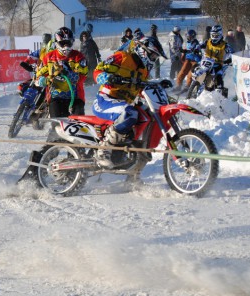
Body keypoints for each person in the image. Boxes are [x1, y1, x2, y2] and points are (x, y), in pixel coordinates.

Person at [18, 27, 88, 182]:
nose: (66, 47)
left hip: (75, 98)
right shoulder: (49, 57)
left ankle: (74, 166)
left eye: (69, 43)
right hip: (56, 98)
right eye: (62, 43)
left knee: (76, 133)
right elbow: (39, 75)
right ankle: (38, 166)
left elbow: (81, 76)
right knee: (57, 132)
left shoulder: (78, 57)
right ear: (56, 42)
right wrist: (42, 79)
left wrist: (65, 70)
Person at [92, 36, 167, 168]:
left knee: (146, 114)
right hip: (105, 100)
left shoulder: (143, 70)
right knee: (129, 112)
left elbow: (139, 88)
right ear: (143, 50)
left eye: (155, 57)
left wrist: (157, 85)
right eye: (153, 56)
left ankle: (134, 165)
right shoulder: (122, 57)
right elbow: (97, 71)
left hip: (122, 103)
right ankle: (103, 151)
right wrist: (108, 77)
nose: (153, 60)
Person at [197, 25, 233, 93]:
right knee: (195, 69)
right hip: (206, 61)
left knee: (219, 76)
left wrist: (230, 59)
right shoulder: (207, 41)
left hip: (218, 63)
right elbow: (200, 45)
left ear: (220, 35)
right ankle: (194, 85)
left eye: (216, 35)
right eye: (213, 35)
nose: (214, 37)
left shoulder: (225, 45)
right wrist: (196, 48)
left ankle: (219, 91)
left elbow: (231, 52)